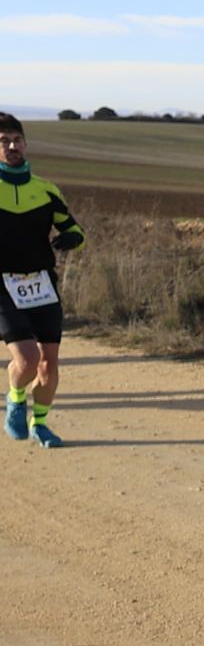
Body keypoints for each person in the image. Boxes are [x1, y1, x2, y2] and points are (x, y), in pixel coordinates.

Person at [0, 112, 85, 448]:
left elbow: (74, 228)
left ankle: (41, 424)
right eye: (3, 141)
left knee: (49, 364)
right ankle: (16, 398)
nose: (11, 146)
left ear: (26, 144)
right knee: (27, 359)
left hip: (42, 284)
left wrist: (71, 239)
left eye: (17, 140)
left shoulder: (46, 191)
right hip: (2, 284)